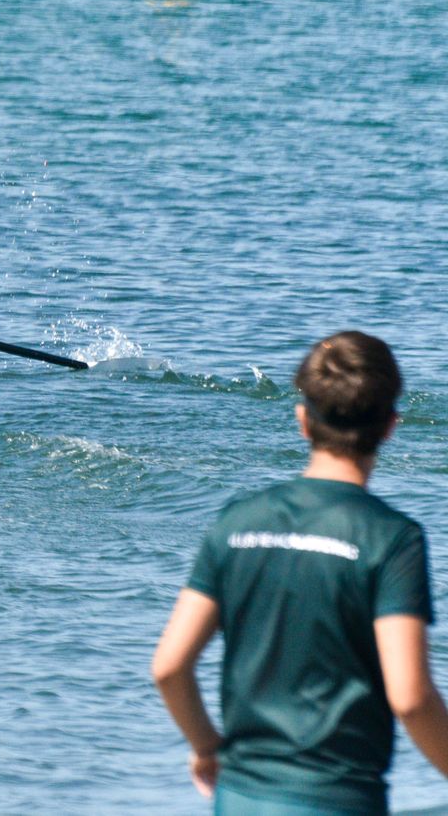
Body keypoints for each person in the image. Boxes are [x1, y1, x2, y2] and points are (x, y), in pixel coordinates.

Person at [152, 331, 448, 814]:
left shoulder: (237, 522)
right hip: (338, 798)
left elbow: (169, 666)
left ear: (303, 421)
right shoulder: (392, 539)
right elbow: (411, 697)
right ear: (391, 424)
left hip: (241, 797)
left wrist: (208, 748)